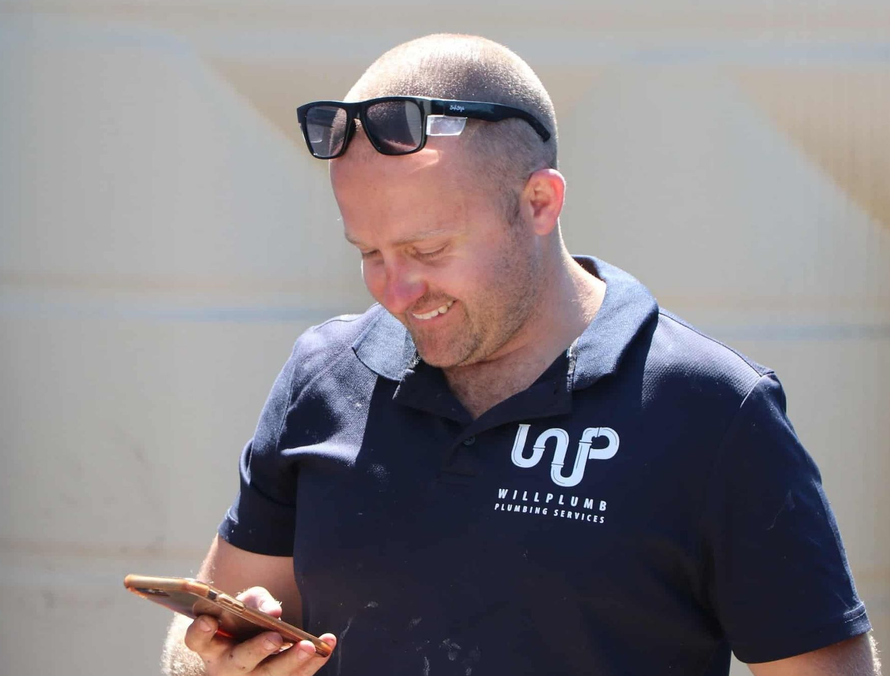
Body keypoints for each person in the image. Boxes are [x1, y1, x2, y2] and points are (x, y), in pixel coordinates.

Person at [162, 34, 881, 676]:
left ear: (539, 202)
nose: (396, 290)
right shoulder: (322, 377)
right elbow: (189, 651)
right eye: (369, 253)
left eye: (428, 250)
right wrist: (217, 667)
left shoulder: (711, 410)